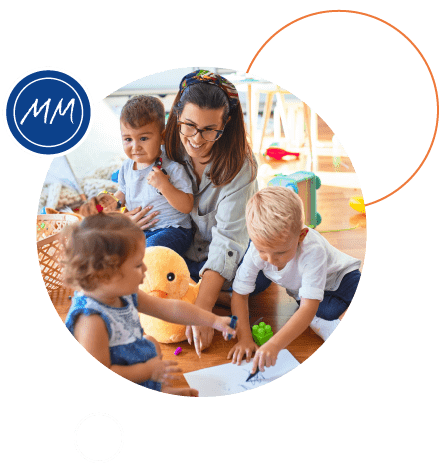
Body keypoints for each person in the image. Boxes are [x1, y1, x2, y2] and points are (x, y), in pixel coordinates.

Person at [62, 200, 236, 396]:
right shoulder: (91, 320)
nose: (145, 269)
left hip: (128, 358)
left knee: (151, 343)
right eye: (138, 265)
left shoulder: (120, 292)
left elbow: (169, 308)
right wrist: (149, 370)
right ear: (106, 274)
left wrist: (212, 320)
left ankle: (160, 388)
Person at [163, 70, 271, 355]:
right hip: (184, 253)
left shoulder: (241, 165)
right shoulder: (165, 147)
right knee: (149, 256)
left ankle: (195, 291)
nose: (197, 139)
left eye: (210, 129)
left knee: (261, 274)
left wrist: (202, 309)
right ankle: (224, 296)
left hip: (224, 257)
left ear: (226, 124)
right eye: (189, 125)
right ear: (176, 115)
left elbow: (229, 241)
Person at [228, 187, 362, 374]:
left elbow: (308, 308)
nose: (271, 260)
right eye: (261, 250)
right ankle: (319, 320)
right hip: (308, 293)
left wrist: (274, 344)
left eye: (281, 253)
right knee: (327, 310)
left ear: (301, 236)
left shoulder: (312, 249)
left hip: (342, 278)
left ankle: (317, 319)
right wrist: (244, 338)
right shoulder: (256, 253)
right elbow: (239, 295)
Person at [113, 95, 194, 256]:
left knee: (150, 250)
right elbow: (121, 193)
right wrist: (109, 209)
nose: (135, 147)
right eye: (128, 139)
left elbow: (187, 206)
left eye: (143, 138)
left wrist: (164, 186)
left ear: (162, 137)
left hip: (173, 230)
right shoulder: (127, 167)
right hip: (140, 232)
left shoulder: (171, 167)